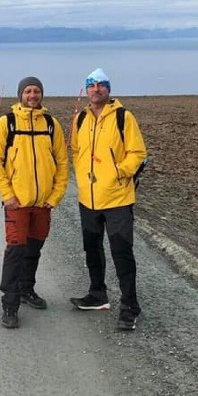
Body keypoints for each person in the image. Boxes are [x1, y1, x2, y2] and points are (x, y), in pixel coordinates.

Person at [0, 76, 68, 329]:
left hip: (43, 204)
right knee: (15, 252)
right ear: (20, 94)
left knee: (34, 249)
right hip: (17, 204)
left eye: (37, 91)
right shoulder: (6, 124)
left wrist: (54, 197)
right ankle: (10, 304)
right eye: (28, 91)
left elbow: (62, 164)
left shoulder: (52, 125)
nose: (33, 95)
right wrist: (7, 194)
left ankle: (26, 289)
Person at [69, 67, 148, 331]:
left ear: (108, 89)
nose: (96, 89)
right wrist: (82, 178)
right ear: (87, 89)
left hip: (117, 198)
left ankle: (130, 306)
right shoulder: (80, 119)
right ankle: (97, 294)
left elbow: (137, 153)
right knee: (92, 249)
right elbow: (77, 152)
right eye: (91, 85)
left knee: (121, 252)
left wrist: (118, 172)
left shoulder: (124, 118)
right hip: (88, 199)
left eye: (101, 85)